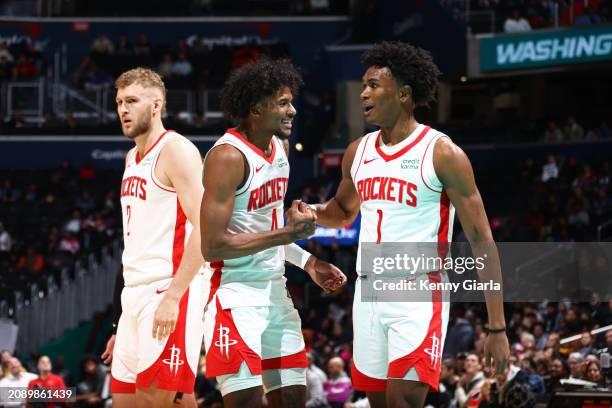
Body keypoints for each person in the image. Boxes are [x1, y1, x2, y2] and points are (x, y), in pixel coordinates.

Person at [308, 41, 509, 407]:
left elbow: (482, 240)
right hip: (368, 292)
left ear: (403, 93)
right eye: (364, 85)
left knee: (404, 402)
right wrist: (311, 212)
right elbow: (342, 210)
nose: (363, 93)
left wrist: (497, 326)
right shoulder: (358, 151)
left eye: (373, 85)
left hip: (418, 290)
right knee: (378, 403)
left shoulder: (442, 153)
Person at [200, 57, 347, 408]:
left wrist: (309, 262)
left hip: (274, 292)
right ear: (256, 109)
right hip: (233, 297)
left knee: (294, 398)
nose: (293, 110)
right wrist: (287, 235)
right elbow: (212, 246)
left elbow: (268, 225)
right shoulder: (227, 157)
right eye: (283, 103)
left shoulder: (280, 149)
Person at [103, 67, 208, 408]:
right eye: (119, 101)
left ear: (156, 104)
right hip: (135, 294)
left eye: (132, 101)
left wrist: (173, 297)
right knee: (124, 400)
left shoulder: (176, 150)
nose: (123, 109)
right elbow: (136, 242)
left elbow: (204, 227)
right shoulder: (131, 157)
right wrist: (123, 319)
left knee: (161, 400)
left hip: (169, 287)